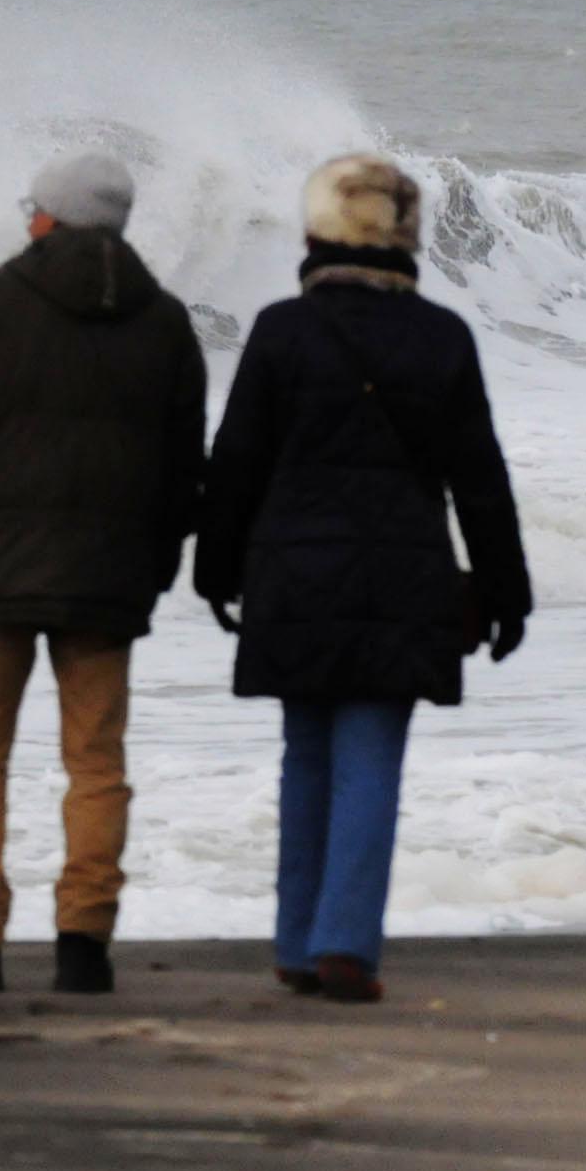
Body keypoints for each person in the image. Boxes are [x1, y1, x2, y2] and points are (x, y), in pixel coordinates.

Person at [196, 154, 531, 1005]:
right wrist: (505, 594)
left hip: (294, 575)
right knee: (370, 757)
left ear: (316, 233)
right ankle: (346, 941)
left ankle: (296, 943)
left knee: (304, 753)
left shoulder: (280, 331)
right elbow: (479, 479)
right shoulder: (442, 337)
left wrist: (213, 569)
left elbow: (235, 462)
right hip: (403, 577)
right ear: (406, 238)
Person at [0, 150, 208, 995]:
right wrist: (160, 560)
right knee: (98, 763)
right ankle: (84, 941)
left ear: (51, 218)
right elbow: (186, 466)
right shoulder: (166, 321)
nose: (26, 218)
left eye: (32, 207)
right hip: (109, 582)